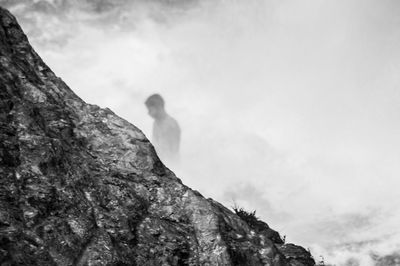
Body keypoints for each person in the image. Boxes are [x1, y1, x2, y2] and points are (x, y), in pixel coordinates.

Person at [145, 94, 180, 163]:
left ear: (158, 107)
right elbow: (155, 143)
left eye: (150, 109)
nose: (148, 113)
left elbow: (174, 150)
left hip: (170, 163)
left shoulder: (171, 124)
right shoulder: (156, 123)